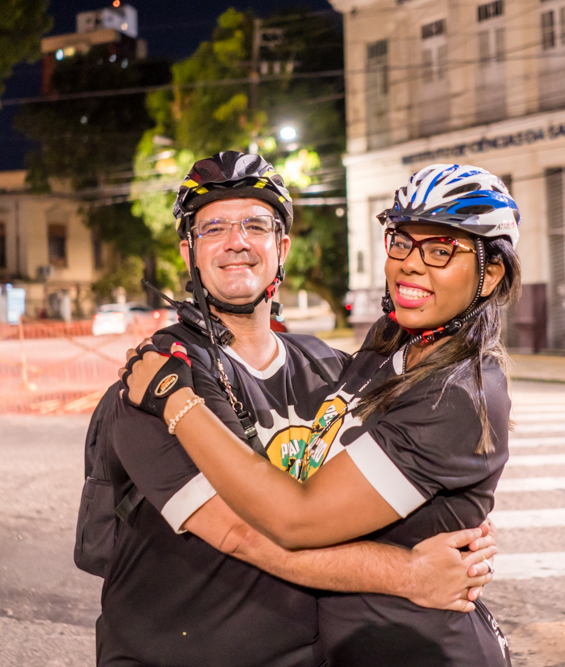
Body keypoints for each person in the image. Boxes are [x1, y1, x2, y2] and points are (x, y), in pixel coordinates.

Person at [96, 154, 499, 667]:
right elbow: (243, 533)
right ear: (189, 252)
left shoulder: (334, 369)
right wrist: (410, 574)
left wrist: (464, 525)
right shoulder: (158, 381)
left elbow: (400, 467)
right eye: (213, 227)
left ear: (281, 247)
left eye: (256, 225)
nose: (236, 241)